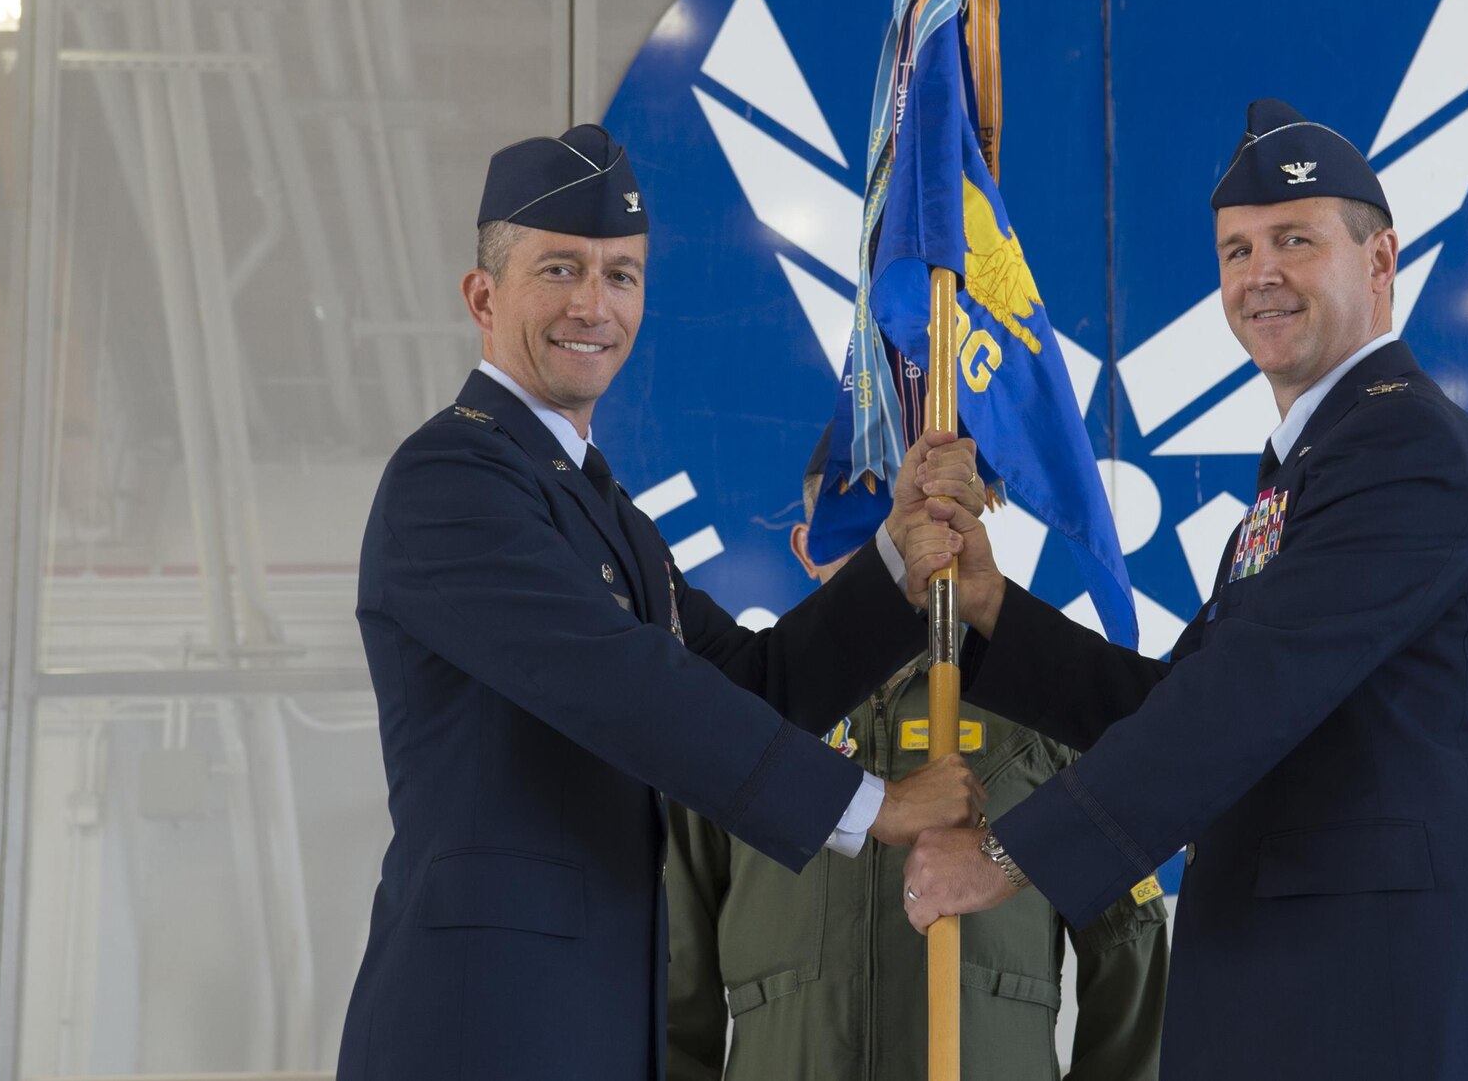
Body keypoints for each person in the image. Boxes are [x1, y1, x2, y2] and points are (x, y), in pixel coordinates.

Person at [901, 101, 1468, 1079]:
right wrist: (989, 608)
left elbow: (1243, 699)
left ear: (1379, 262)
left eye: (1293, 240)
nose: (1257, 274)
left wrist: (1008, 853)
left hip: (1407, 1015)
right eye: (1235, 251)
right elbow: (1174, 702)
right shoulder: (1311, 469)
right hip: (1312, 1010)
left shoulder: (1405, 450)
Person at [337, 123, 986, 1081]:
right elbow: (627, 688)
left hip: (592, 1021)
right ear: (483, 296)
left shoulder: (604, 510)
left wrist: (897, 556)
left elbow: (752, 682)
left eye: (621, 275)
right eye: (559, 270)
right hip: (481, 1025)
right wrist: (870, 806)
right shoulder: (453, 479)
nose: (593, 305)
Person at [663, 431, 1170, 1081]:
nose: (888, 552)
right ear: (803, 549)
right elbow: (675, 979)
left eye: (901, 525)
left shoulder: (1040, 713)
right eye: (850, 530)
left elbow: (1131, 952)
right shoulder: (738, 719)